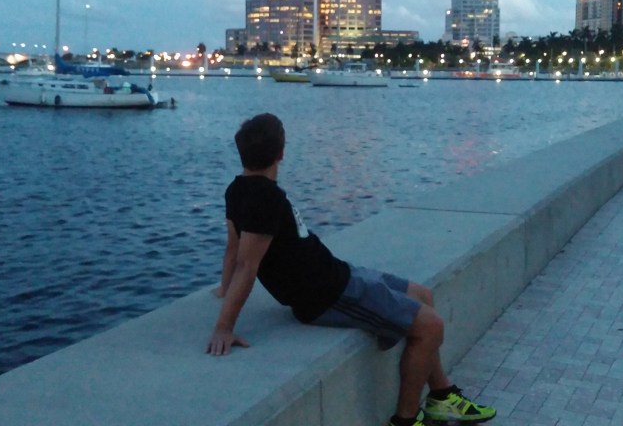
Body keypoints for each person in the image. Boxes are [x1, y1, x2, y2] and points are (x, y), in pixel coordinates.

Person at [207, 113, 496, 426]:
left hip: (336, 273)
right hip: (327, 295)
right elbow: (247, 265)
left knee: (422, 295)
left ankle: (441, 395)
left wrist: (224, 289)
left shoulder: (237, 189)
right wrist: (224, 326)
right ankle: (406, 419)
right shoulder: (265, 198)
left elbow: (233, 249)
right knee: (431, 326)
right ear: (281, 153)